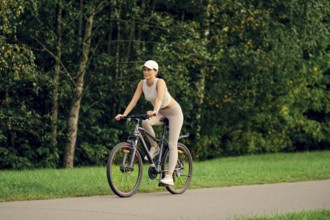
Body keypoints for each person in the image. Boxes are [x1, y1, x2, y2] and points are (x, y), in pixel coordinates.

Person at [115, 60, 184, 186]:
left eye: (149, 69)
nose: (146, 72)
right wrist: (124, 114)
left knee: (172, 144)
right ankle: (155, 147)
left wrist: (155, 111)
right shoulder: (142, 83)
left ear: (155, 71)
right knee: (145, 122)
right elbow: (134, 100)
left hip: (174, 113)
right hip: (160, 112)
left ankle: (169, 176)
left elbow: (159, 98)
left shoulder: (160, 82)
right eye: (144, 69)